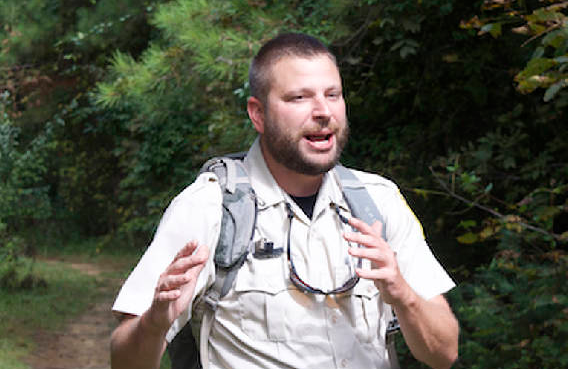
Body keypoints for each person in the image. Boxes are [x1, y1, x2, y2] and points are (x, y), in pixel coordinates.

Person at [110, 33, 459, 369]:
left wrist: (402, 293)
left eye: (333, 94)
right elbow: (124, 361)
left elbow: (444, 354)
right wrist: (155, 324)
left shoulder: (379, 201)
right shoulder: (208, 206)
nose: (324, 111)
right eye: (299, 98)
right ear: (258, 114)